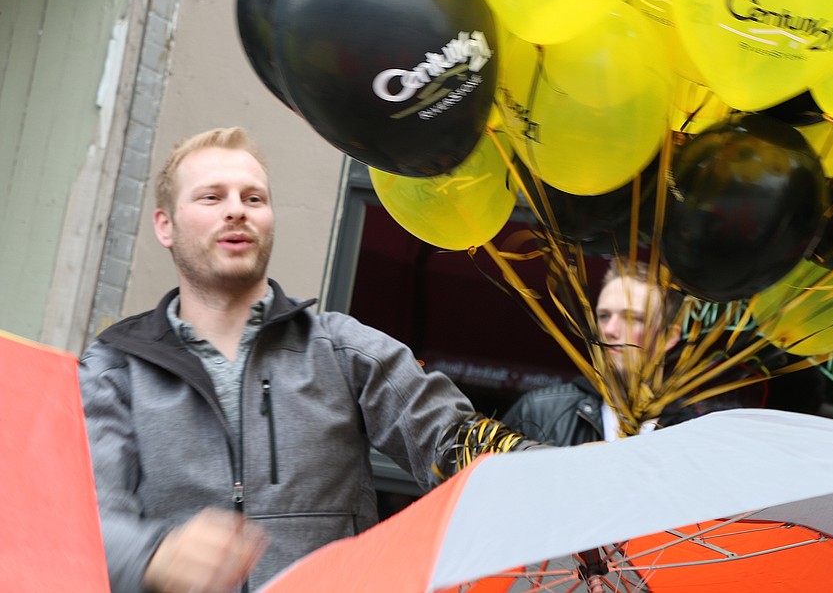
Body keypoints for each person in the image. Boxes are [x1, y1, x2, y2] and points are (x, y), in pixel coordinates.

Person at [79, 127, 531, 593]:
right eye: (212, 197)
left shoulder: (341, 349)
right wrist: (156, 554)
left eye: (253, 198)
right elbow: (83, 524)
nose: (237, 209)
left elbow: (452, 440)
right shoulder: (114, 369)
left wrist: (546, 472)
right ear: (165, 225)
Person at [502, 258, 693, 445]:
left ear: (668, 337)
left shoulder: (691, 433)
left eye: (632, 318)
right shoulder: (540, 412)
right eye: (603, 316)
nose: (609, 330)